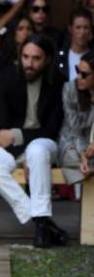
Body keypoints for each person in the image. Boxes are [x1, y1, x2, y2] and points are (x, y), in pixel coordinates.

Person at [0, 34, 68, 248]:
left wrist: (17, 136)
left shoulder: (58, 82)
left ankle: (42, 227)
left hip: (43, 144)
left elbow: (51, 130)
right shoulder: (5, 78)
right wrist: (16, 143)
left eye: (36, 58)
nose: (29, 63)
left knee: (37, 151)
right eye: (25, 57)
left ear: (47, 59)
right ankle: (41, 222)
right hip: (11, 146)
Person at [58, 50, 94, 184]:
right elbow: (74, 126)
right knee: (72, 157)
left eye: (84, 74)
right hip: (73, 140)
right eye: (77, 70)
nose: (78, 76)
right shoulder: (69, 89)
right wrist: (83, 153)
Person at [56, 7, 93, 81]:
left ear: (90, 30)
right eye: (78, 27)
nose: (82, 32)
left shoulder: (92, 56)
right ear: (70, 29)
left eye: (86, 28)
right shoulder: (59, 56)